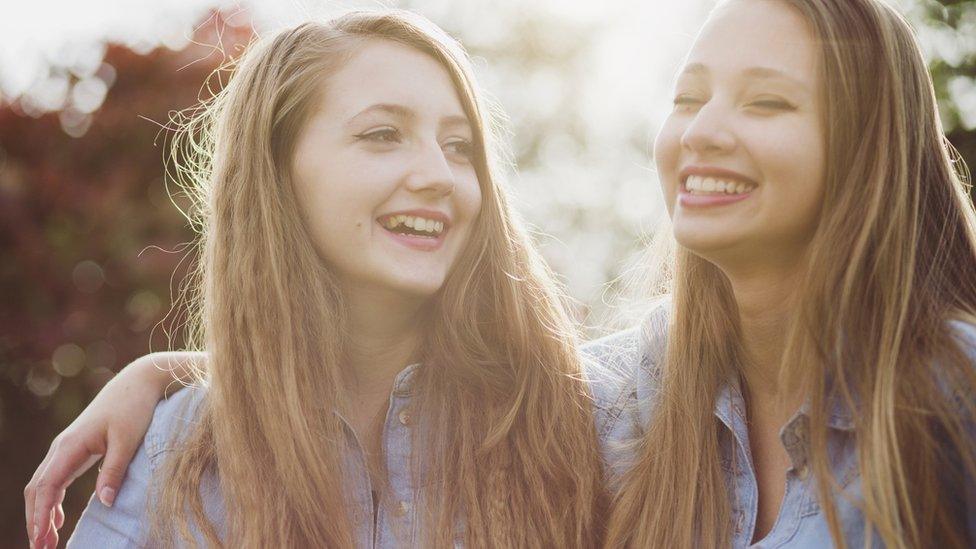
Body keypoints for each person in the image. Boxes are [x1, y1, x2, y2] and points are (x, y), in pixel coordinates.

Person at [26, 10, 616, 548]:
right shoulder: (171, 451)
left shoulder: (581, 421)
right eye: (383, 134)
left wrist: (163, 369)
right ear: (277, 169)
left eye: (460, 146)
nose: (440, 174)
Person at [604, 0, 976, 547]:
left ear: (865, 150)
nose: (700, 131)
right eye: (687, 98)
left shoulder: (955, 395)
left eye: (766, 101)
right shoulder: (619, 396)